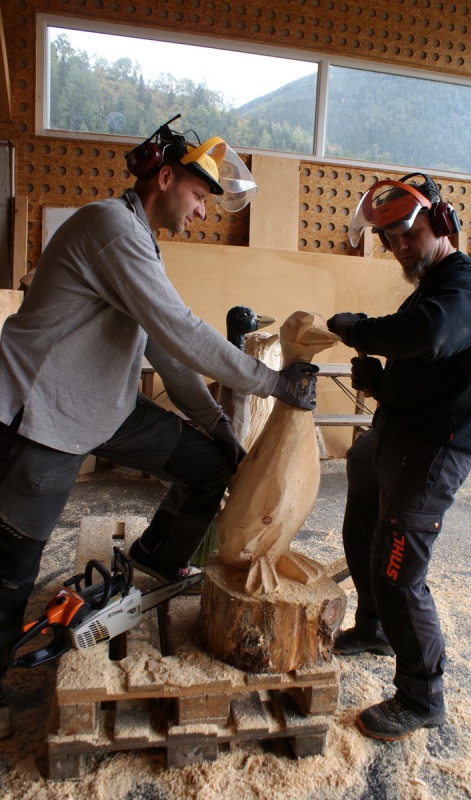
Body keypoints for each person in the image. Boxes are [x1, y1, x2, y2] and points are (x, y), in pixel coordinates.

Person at [0, 115, 317, 737]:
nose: (201, 211)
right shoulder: (111, 227)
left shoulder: (141, 243)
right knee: (13, 562)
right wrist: (274, 382)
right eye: (198, 195)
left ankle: (157, 555)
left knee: (207, 464)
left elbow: (166, 350)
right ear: (165, 178)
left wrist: (217, 426)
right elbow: (182, 331)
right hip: (44, 411)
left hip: (104, 406)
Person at [327, 172, 471, 741]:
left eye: (410, 233)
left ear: (442, 223)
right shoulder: (433, 285)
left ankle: (422, 696)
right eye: (391, 240)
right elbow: (430, 368)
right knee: (362, 520)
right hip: (397, 434)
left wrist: (360, 331)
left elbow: (429, 336)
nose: (401, 247)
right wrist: (380, 384)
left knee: (399, 572)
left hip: (434, 449)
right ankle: (374, 627)